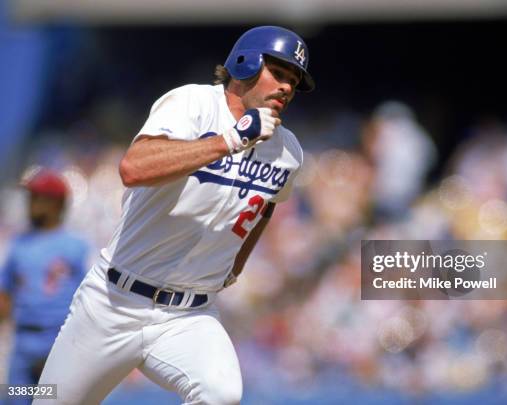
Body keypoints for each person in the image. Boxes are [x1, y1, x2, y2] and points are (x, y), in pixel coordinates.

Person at [36, 25, 314, 404]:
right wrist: (229, 141)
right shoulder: (193, 104)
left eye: (293, 82)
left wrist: (237, 263)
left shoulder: (288, 152)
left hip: (189, 316)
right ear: (245, 63)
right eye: (279, 73)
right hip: (115, 301)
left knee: (221, 394)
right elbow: (133, 168)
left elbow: (266, 206)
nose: (286, 87)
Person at [0, 169, 88, 405]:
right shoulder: (19, 244)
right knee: (15, 399)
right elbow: (5, 295)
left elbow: (87, 301)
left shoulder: (75, 246)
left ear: (58, 203)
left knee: (53, 399)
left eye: (39, 197)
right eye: (31, 197)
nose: (31, 203)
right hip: (23, 343)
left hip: (57, 341)